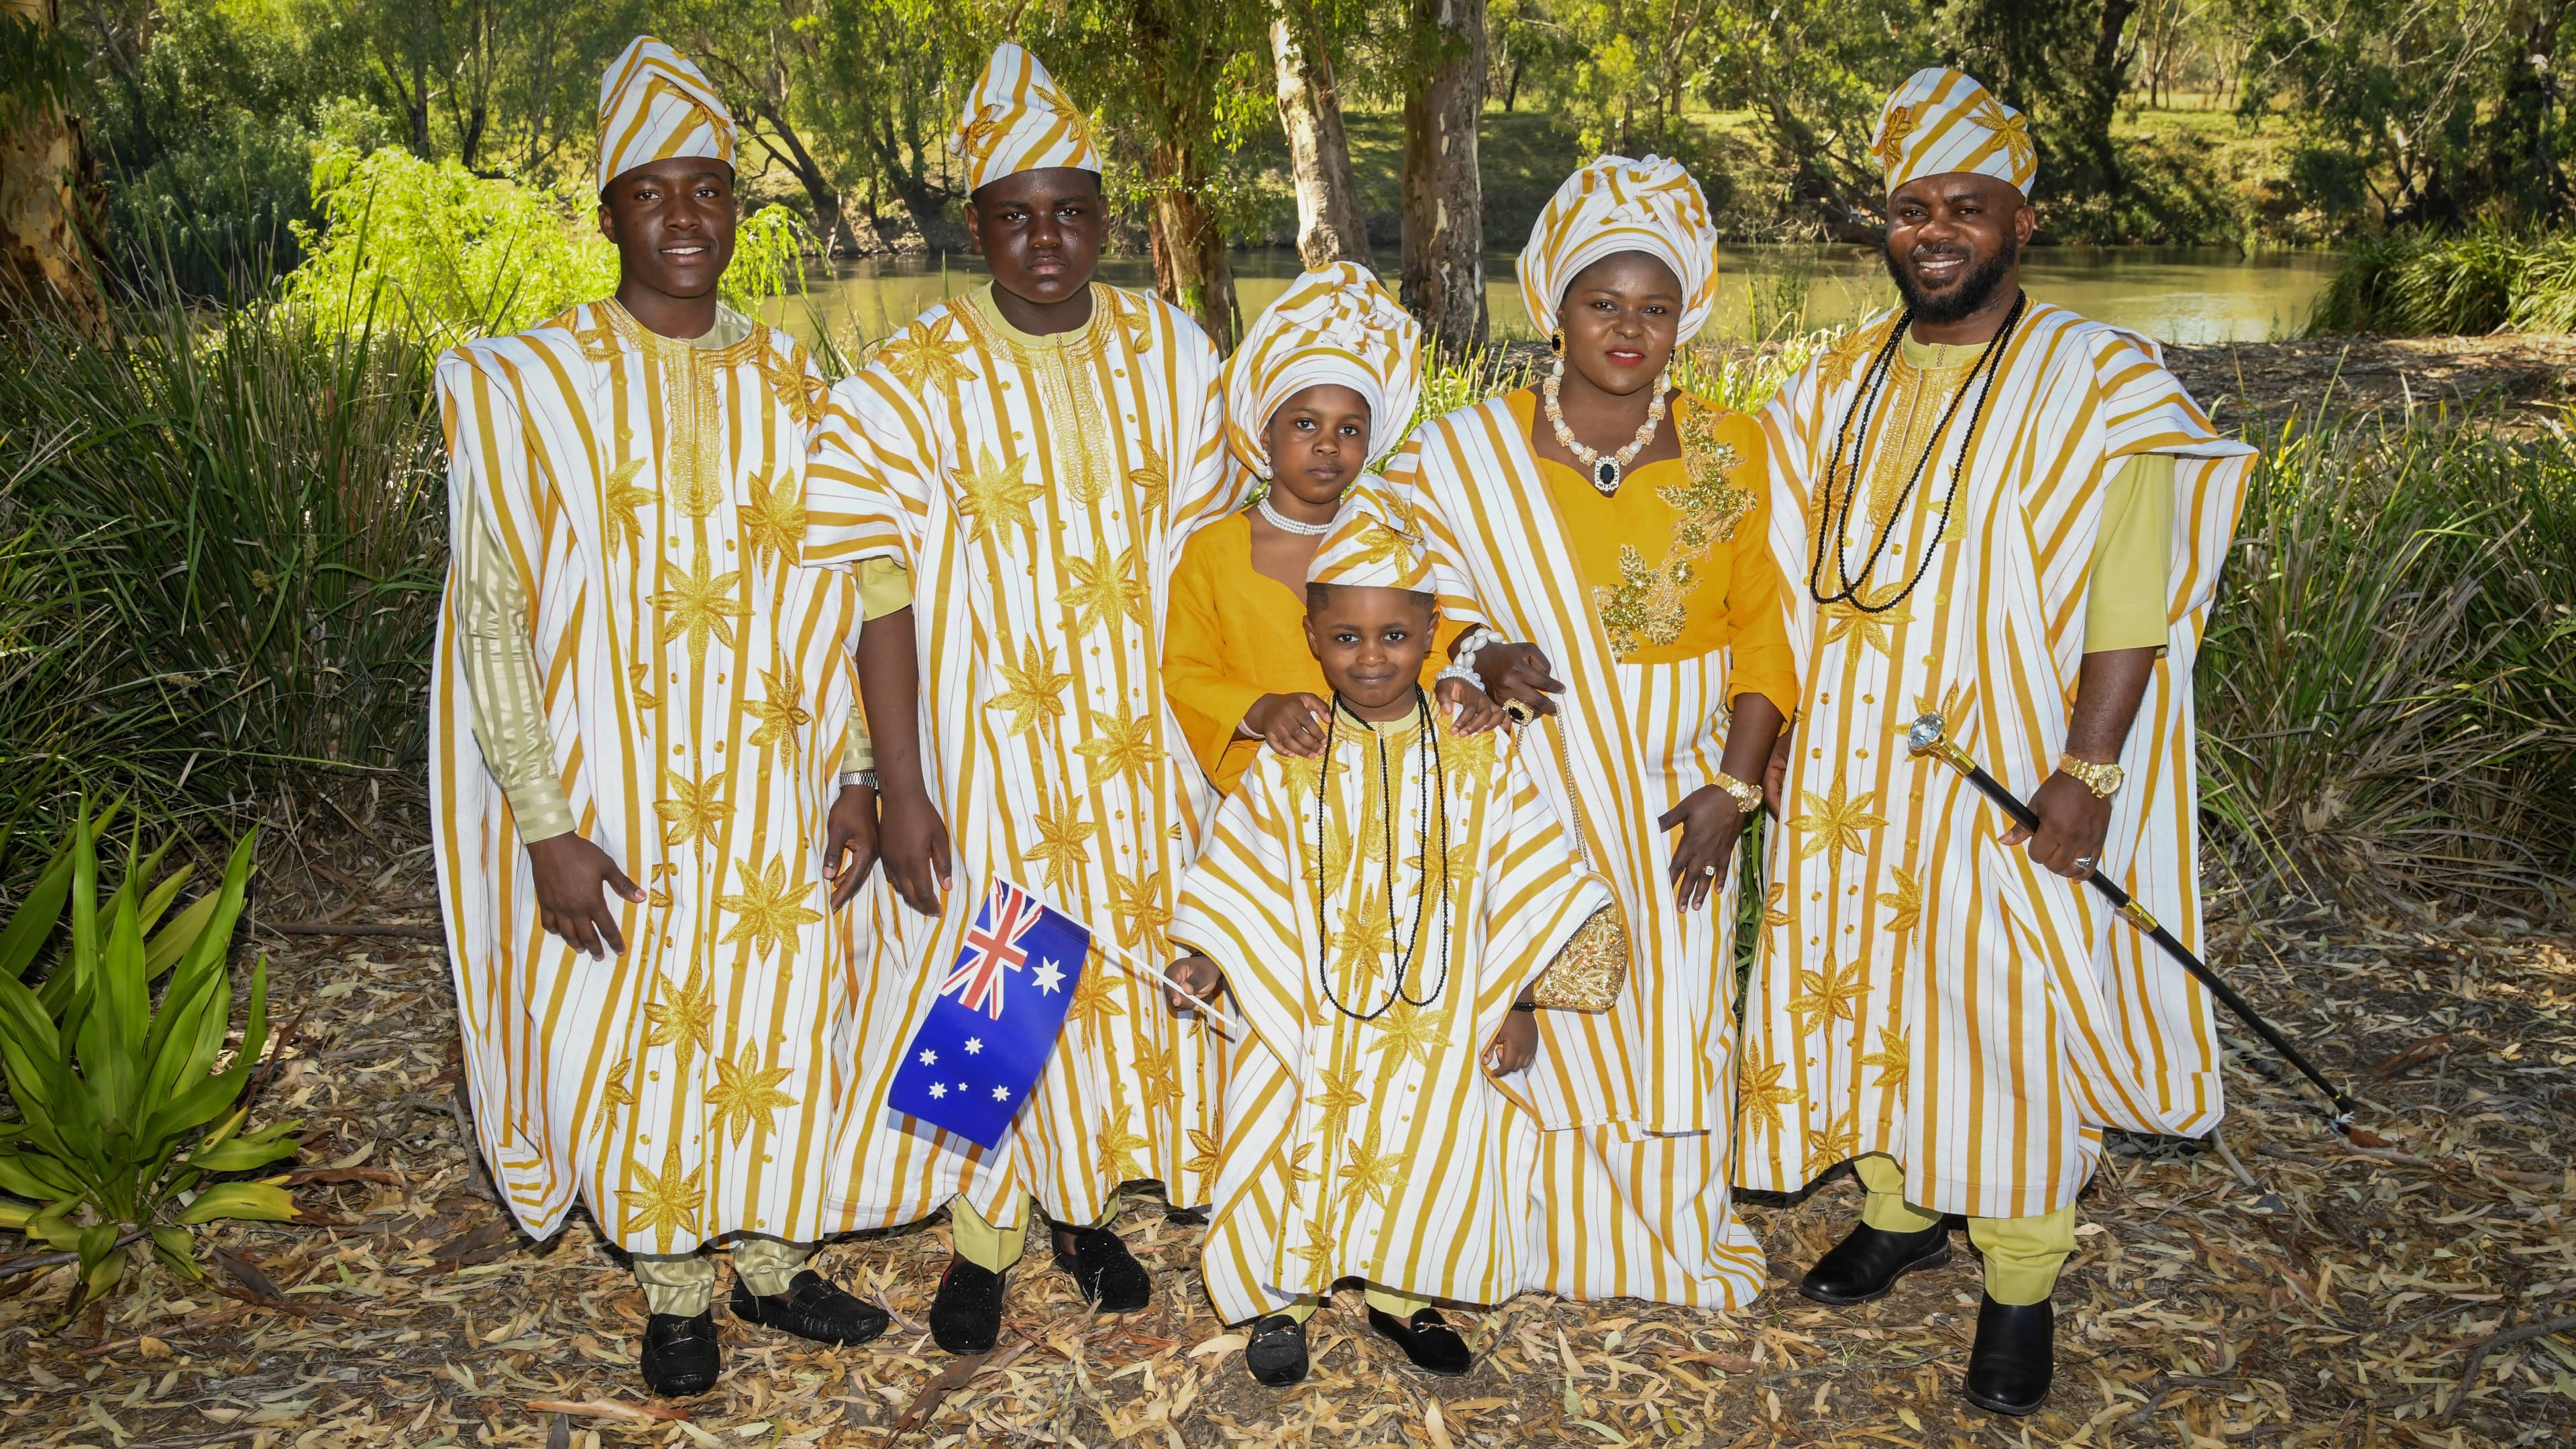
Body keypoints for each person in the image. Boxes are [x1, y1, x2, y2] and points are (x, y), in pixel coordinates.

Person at [1741, 68, 2257, 1417]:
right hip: (1857, 765)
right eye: (1912, 207)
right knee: (1876, 984)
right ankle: (1907, 1205)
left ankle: (2021, 1280)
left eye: (1968, 205)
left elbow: (2136, 588)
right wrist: (1775, 725)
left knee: (2006, 1007)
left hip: (2010, 766)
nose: (1936, 231)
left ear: (2024, 221)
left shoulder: (2102, 378)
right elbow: (1782, 564)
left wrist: (2086, 776)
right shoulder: (1839, 379)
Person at [429, 36, 898, 1399]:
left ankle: (768, 1264)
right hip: (610, 793)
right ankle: (673, 1287)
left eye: (710, 190)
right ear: (609, 213)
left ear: (736, 211)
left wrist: (860, 771)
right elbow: (495, 614)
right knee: (638, 1028)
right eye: (655, 192)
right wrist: (543, 822)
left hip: (771, 776)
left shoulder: (800, 386)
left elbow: (847, 587)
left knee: (775, 1016)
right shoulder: (527, 388)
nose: (685, 217)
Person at [801, 42, 1235, 1356]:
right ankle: (986, 1236)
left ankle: (1085, 1209)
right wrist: (900, 780)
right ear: (976, 225)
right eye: (1014, 216)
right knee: (1001, 981)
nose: (1046, 241)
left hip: (1146, 743)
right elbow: (877, 594)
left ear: (1106, 218)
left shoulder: (1176, 355)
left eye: (1070, 212)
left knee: (1115, 975)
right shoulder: (904, 383)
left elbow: (1226, 554)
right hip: (991, 754)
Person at [1379, 155, 1792, 1308]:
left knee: (1669, 1014)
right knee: (1533, 1005)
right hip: (1530, 785)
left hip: (1681, 796)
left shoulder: (1734, 450)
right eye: (1602, 303)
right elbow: (1395, 578)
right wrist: (1470, 651)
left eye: (1655, 308)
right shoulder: (1467, 450)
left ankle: (1660, 1243)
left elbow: (1765, 637)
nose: (1629, 330)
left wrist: (1737, 791)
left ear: (1687, 316)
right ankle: (1520, 1240)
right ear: (1552, 306)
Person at [1165, 495, 1609, 1387]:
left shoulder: (1476, 746)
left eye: (1396, 637)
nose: (1372, 659)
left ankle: (1405, 1293)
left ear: (1431, 631)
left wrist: (1519, 1000)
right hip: (1308, 1008)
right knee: (1284, 1136)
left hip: (1438, 1013)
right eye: (1348, 639)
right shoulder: (1298, 746)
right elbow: (1242, 863)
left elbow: (1520, 876)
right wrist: (1209, 955)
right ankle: (1277, 1301)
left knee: (1427, 1143)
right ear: (1313, 636)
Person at [1164, 264, 1493, 798]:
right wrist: (1259, 709)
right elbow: (1183, 672)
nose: (1326, 444)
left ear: (1370, 443)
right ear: (1265, 434)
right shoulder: (1214, 551)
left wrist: (1453, 682)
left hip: (1394, 790)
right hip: (1269, 798)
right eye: (1304, 424)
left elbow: (1435, 640)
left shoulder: (1392, 539)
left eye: (1349, 429)